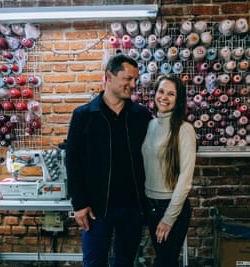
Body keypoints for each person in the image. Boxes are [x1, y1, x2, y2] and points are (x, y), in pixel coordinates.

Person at [65, 53, 152, 267]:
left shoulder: (141, 116)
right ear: (109, 77)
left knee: (125, 263)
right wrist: (79, 204)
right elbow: (73, 161)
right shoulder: (84, 115)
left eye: (135, 80)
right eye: (128, 79)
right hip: (96, 209)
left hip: (132, 207)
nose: (133, 85)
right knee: (94, 263)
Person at [141, 75, 196, 267]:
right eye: (161, 91)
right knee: (164, 260)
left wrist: (169, 218)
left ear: (178, 99)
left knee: (165, 262)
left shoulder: (184, 130)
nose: (164, 97)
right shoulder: (151, 124)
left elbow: (185, 179)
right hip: (151, 206)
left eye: (171, 94)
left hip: (171, 207)